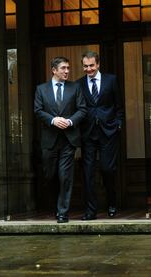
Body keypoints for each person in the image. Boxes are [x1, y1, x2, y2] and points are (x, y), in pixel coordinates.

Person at [34, 56, 87, 223]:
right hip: (49, 140)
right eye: (63, 68)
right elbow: (38, 110)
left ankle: (63, 212)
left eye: (68, 68)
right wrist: (53, 120)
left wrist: (70, 121)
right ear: (54, 70)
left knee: (65, 176)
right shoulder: (41, 89)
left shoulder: (75, 87)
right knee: (50, 175)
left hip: (68, 139)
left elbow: (82, 109)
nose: (67, 71)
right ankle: (55, 206)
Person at [77, 51, 124, 220]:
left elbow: (119, 105)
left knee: (107, 169)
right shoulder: (79, 84)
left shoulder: (111, 80)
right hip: (88, 133)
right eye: (85, 66)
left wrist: (118, 123)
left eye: (91, 65)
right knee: (88, 173)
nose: (88, 69)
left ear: (98, 64)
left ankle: (112, 203)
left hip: (108, 132)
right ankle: (91, 211)